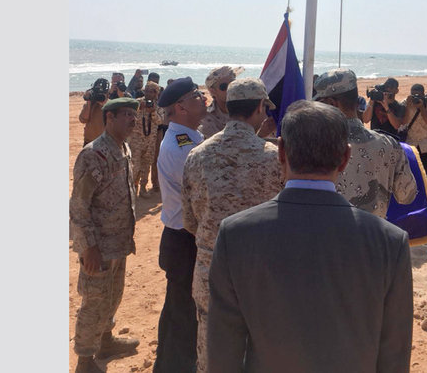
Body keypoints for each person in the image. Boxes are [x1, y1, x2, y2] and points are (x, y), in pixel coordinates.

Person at [206, 100, 413, 373]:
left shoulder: (235, 234)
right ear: (345, 157)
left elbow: (224, 350)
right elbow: (394, 355)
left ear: (281, 151)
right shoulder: (390, 242)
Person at [181, 78, 283, 373]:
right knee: (260, 355)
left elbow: (190, 221)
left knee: (212, 356)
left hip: (211, 273)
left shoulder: (197, 155)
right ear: (260, 107)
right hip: (260, 276)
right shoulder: (274, 158)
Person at [69, 97, 142, 373]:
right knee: (94, 302)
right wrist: (88, 247)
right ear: (109, 118)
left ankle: (106, 340)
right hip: (98, 246)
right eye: (126, 114)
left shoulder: (123, 148)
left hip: (119, 241)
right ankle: (85, 360)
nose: (133, 119)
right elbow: (79, 205)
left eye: (134, 115)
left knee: (113, 295)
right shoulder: (94, 154)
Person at [153, 77, 208, 373]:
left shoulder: (188, 137)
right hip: (184, 239)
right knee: (185, 317)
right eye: (196, 95)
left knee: (177, 311)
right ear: (181, 107)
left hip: (181, 237)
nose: (203, 98)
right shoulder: (182, 146)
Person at [314, 69, 417, 219]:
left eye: (319, 103)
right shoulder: (389, 144)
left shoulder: (314, 145)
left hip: (329, 231)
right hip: (373, 231)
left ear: (331, 103)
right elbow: (407, 196)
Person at [129, 81, 164, 197]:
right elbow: (129, 116)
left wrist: (153, 112)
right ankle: (133, 187)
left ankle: (143, 188)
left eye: (152, 91)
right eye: (147, 91)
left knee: (146, 165)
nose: (148, 94)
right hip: (137, 139)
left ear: (156, 93)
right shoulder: (137, 103)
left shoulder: (158, 106)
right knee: (135, 164)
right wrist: (139, 108)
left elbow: (160, 121)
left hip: (150, 140)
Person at [400, 84, 427, 188]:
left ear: (423, 94)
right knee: (412, 174)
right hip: (412, 143)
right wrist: (408, 107)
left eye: (418, 95)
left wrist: (422, 108)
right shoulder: (405, 102)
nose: (416, 98)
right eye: (413, 95)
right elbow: (403, 122)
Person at [198, 66, 244, 139]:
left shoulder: (249, 108)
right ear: (213, 91)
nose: (230, 89)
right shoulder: (207, 119)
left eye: (233, 84)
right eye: (224, 86)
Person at [79, 78, 110, 146]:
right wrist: (89, 101)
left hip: (107, 142)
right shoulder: (91, 105)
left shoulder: (111, 104)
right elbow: (83, 119)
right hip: (90, 141)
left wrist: (104, 104)